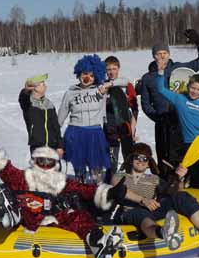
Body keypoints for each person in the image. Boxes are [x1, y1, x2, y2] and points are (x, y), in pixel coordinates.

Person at [0, 146, 128, 258]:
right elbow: (4, 167)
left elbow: (87, 189)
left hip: (54, 219)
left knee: (79, 217)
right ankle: (8, 214)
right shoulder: (21, 178)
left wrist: (111, 193)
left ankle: (98, 243)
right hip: (27, 215)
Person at [111, 143, 199, 258]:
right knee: (141, 215)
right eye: (137, 157)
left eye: (145, 159)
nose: (141, 161)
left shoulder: (154, 178)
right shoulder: (120, 176)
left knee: (181, 197)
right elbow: (119, 190)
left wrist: (179, 177)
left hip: (155, 207)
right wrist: (143, 200)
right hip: (131, 211)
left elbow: (174, 191)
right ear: (130, 159)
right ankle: (162, 232)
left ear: (149, 162)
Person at [139, 29, 199, 178]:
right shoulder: (148, 78)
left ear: (169, 54)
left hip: (182, 123)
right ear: (153, 56)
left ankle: (190, 188)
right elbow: (146, 104)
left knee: (184, 160)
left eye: (164, 53)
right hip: (162, 124)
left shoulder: (179, 69)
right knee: (165, 160)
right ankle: (167, 190)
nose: (161, 56)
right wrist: (157, 117)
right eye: (158, 54)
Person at [58, 54, 113, 183]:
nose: (87, 78)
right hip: (75, 132)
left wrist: (108, 84)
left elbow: (124, 80)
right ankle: (80, 195)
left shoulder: (100, 90)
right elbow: (61, 115)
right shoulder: (70, 93)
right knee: (79, 171)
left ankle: (98, 195)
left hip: (95, 133)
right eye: (84, 74)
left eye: (91, 75)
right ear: (79, 73)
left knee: (96, 171)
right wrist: (54, 136)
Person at [103, 55, 139, 174]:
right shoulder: (103, 86)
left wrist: (132, 130)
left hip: (125, 125)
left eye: (114, 69)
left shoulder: (126, 85)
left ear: (118, 69)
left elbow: (135, 109)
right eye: (108, 69)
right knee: (111, 160)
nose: (111, 72)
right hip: (110, 126)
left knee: (129, 158)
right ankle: (111, 184)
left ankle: (131, 184)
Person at [18, 73, 64, 156]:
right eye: (42, 84)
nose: (45, 86)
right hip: (37, 147)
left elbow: (56, 127)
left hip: (53, 146)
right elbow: (22, 99)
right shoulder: (28, 104)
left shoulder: (49, 104)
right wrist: (26, 90)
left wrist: (60, 146)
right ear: (35, 88)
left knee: (55, 168)